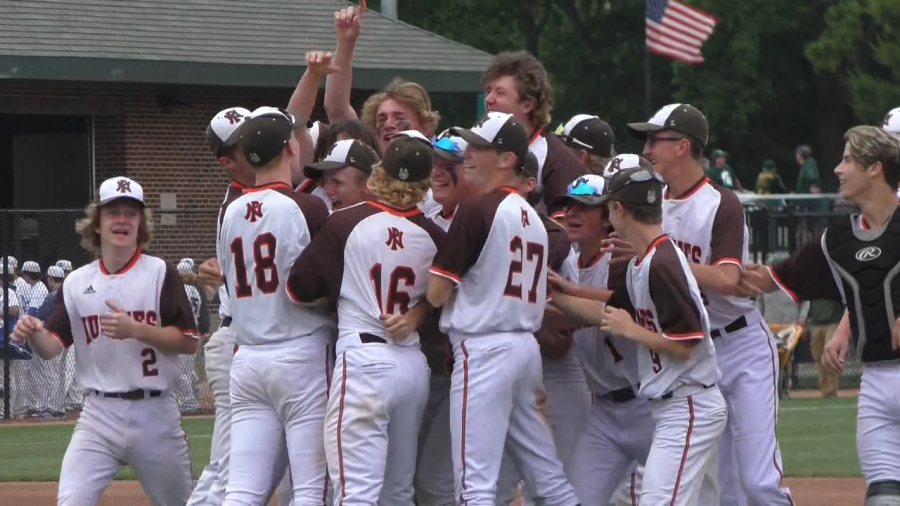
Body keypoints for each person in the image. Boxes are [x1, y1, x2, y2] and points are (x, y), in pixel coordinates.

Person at [625, 103, 795, 506]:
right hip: (696, 354)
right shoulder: (654, 204)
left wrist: (660, 256)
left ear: (683, 146)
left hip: (741, 347)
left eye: (655, 140)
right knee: (719, 490)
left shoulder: (721, 203)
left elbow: (725, 279)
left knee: (758, 482)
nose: (647, 149)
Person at [12, 175, 198, 505]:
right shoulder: (75, 282)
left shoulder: (160, 273)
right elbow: (52, 348)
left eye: (131, 212)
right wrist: (35, 332)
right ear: (97, 223)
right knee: (71, 500)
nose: (122, 220)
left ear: (141, 223)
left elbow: (188, 341)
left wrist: (137, 329)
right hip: (98, 414)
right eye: (113, 212)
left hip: (155, 413)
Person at [741, 125, 900, 506]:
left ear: (874, 168)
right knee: (883, 498)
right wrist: (705, 271)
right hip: (875, 385)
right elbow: (776, 276)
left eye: (847, 159)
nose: (837, 169)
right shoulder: (836, 241)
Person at [426, 111, 579, 506]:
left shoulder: (479, 208)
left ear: (508, 158)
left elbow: (436, 293)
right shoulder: (533, 216)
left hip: (484, 349)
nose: (469, 155)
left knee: (474, 484)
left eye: (479, 147)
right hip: (523, 348)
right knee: (546, 476)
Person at [552, 165, 728, 505]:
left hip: (690, 403)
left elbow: (688, 344)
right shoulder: (644, 262)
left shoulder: (661, 262)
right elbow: (607, 315)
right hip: (669, 404)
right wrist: (557, 293)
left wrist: (632, 330)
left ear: (618, 210)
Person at [288, 130, 445, 504]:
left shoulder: (345, 222)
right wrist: (418, 310)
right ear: (425, 184)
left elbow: (298, 289)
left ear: (379, 175)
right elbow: (447, 298)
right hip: (412, 365)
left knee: (355, 493)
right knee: (397, 491)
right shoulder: (437, 235)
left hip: (364, 360)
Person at [219, 107, 332, 505]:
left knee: (242, 489)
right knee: (309, 487)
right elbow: (328, 282)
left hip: (248, 356)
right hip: (299, 350)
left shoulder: (230, 211)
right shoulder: (307, 207)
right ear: (289, 147)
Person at [550, 167, 655, 506]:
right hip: (604, 413)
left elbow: (621, 303)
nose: (572, 213)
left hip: (646, 405)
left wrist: (560, 301)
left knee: (679, 497)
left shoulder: (619, 258)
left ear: (608, 216)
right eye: (570, 206)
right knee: (576, 498)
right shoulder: (567, 262)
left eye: (584, 207)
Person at [190, 106, 256, 506]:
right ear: (227, 161)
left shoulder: (256, 193)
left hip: (244, 338)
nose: (256, 144)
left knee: (232, 464)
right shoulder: (239, 202)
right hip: (237, 338)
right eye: (244, 144)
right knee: (229, 465)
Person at [481, 51, 587, 219]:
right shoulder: (479, 150)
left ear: (527, 104)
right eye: (488, 91)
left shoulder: (556, 158)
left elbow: (563, 234)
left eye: (500, 93)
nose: (489, 99)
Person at [304, 138, 380, 211]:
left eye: (338, 183)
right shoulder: (324, 217)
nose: (328, 190)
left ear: (368, 185)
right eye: (325, 180)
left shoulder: (388, 221)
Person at [176, 258, 202, 415]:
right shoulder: (194, 290)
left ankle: (188, 404)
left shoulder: (181, 290)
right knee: (188, 370)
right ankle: (193, 397)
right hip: (194, 331)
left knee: (181, 372)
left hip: (183, 332)